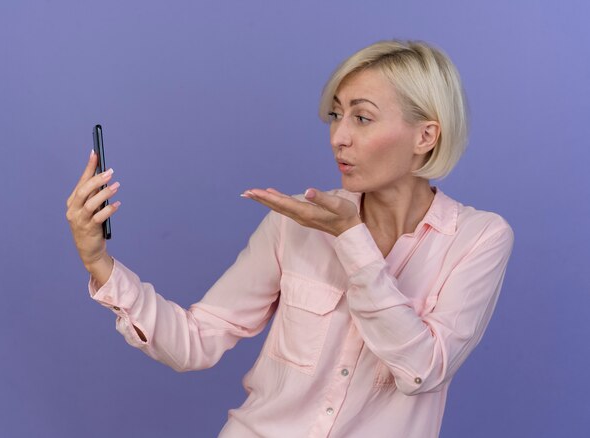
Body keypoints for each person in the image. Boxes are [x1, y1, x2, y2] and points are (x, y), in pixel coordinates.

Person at [66, 40, 514, 438]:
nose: (339, 137)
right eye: (336, 115)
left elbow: (420, 371)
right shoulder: (294, 221)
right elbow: (195, 341)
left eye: (362, 118)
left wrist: (350, 238)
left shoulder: (478, 238)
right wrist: (98, 260)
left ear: (426, 136)